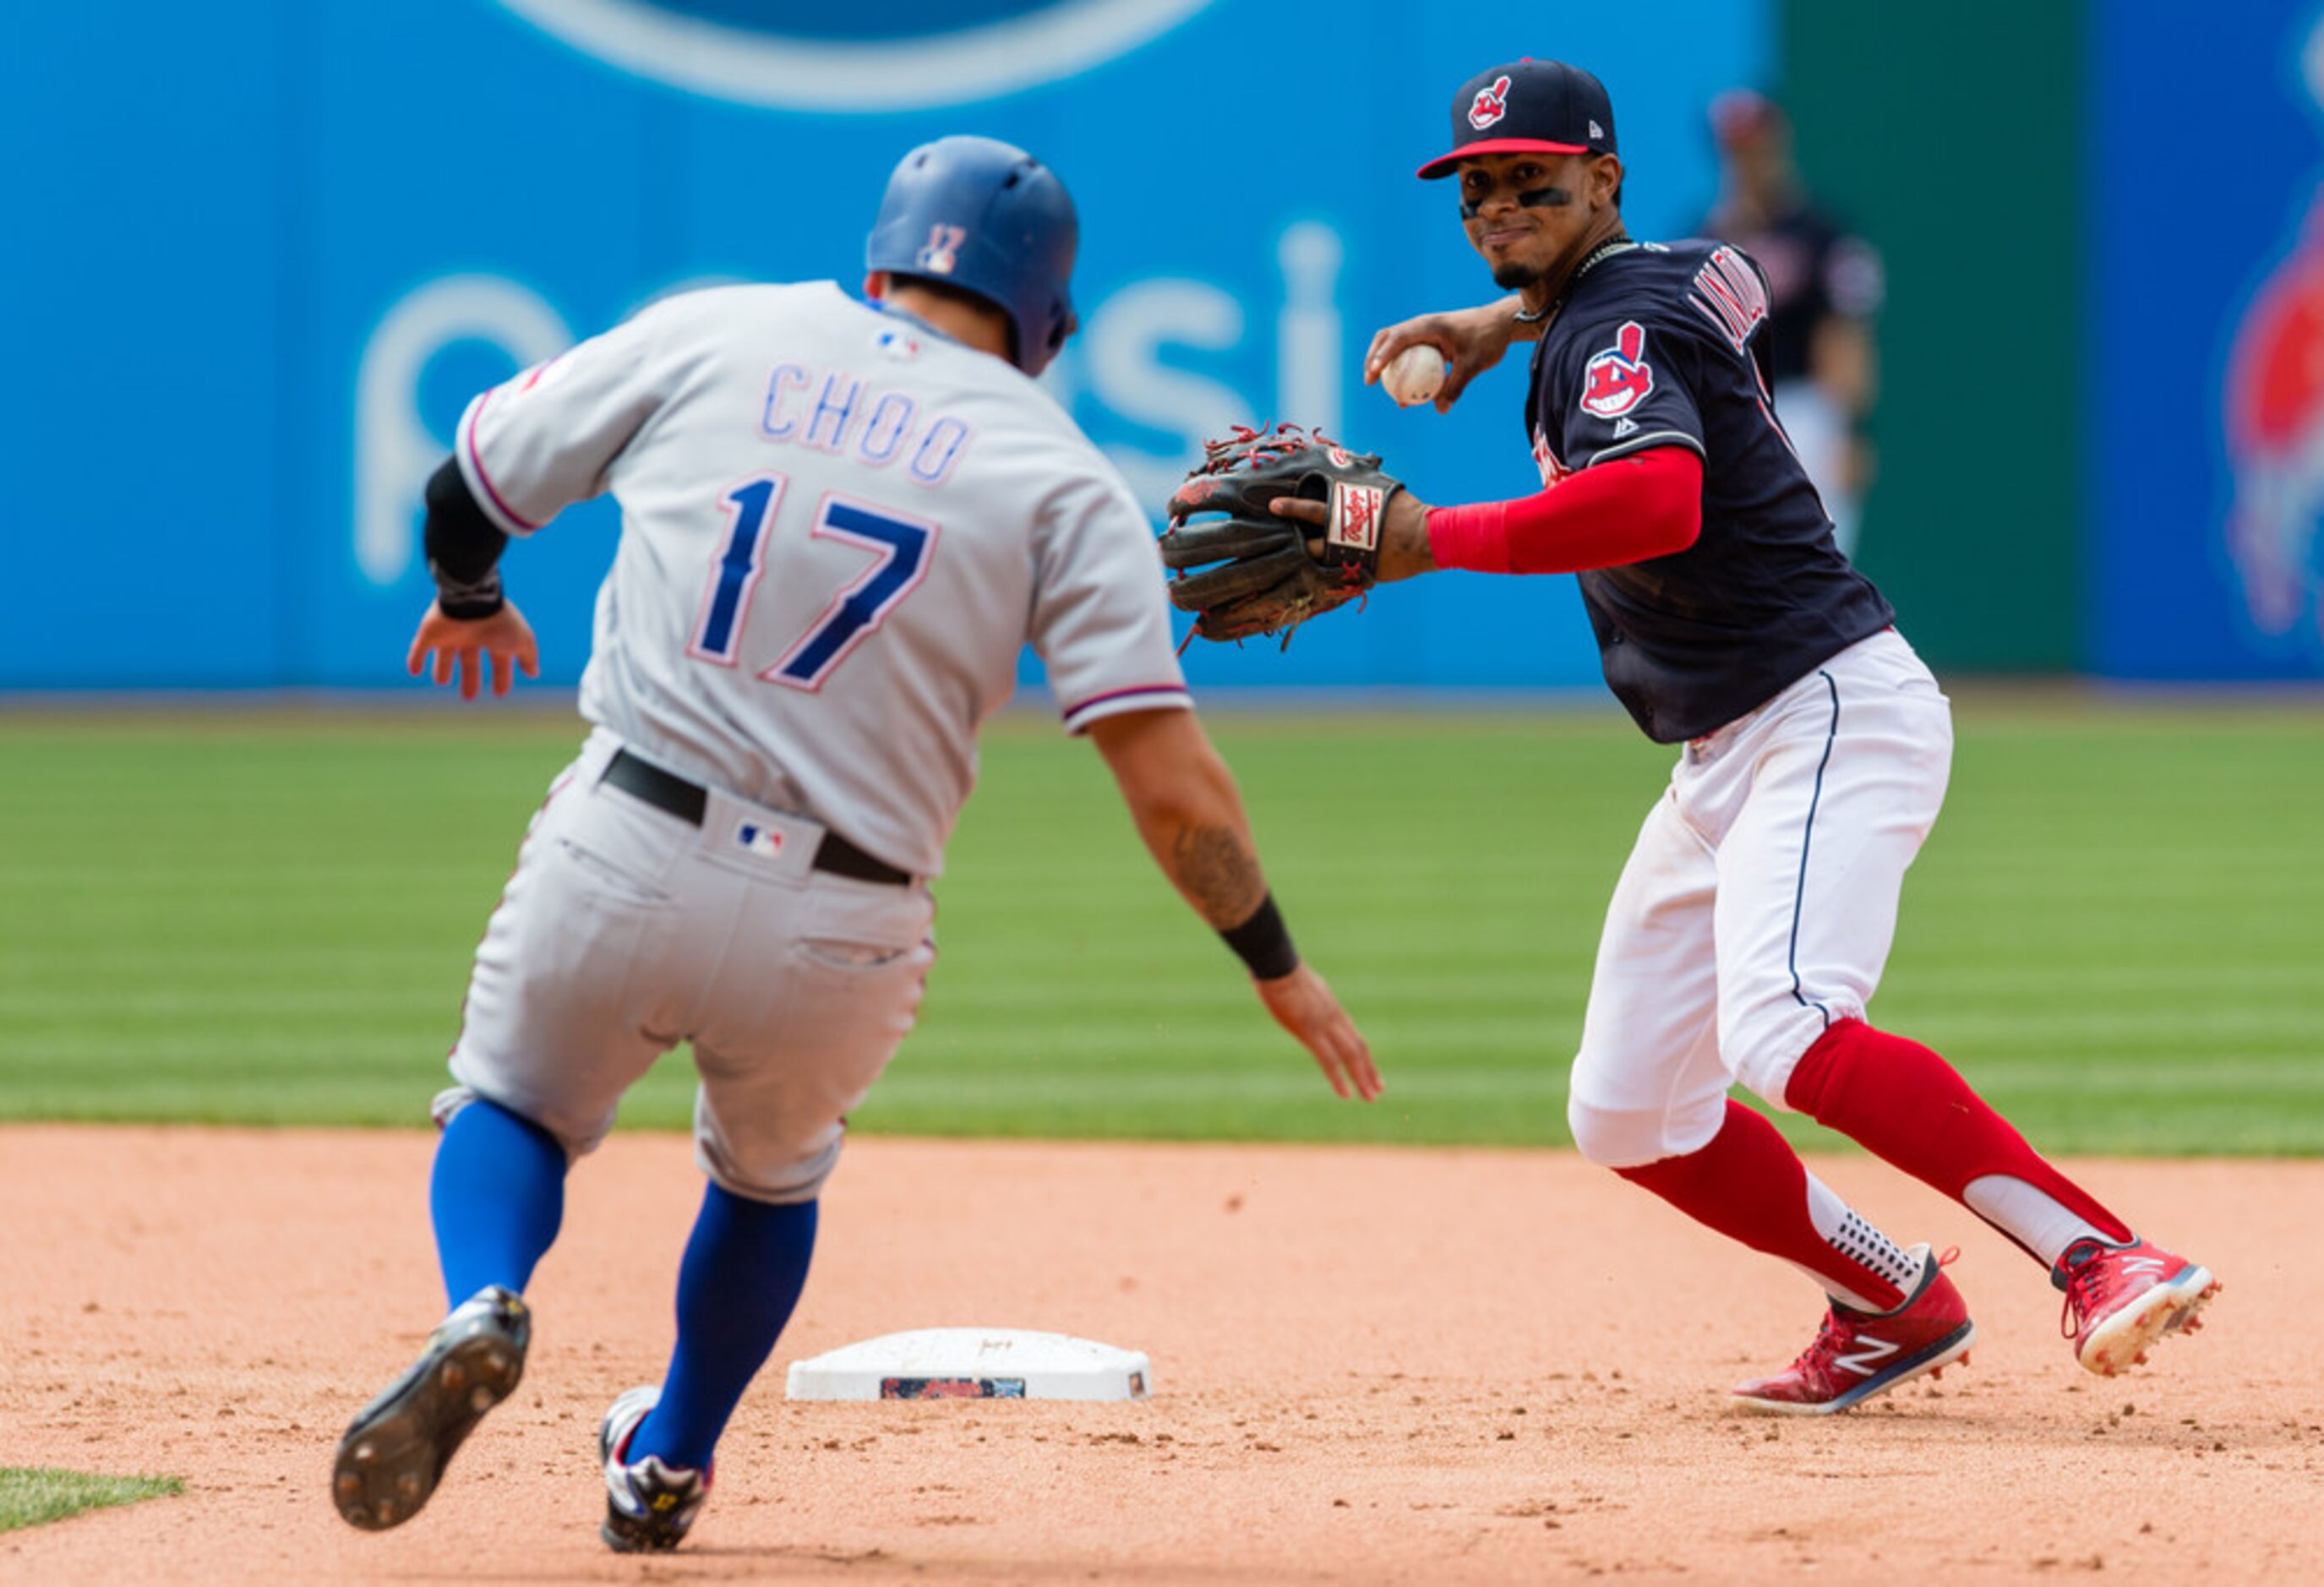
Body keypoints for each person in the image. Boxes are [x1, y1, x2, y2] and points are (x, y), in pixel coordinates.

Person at [330, 134, 1379, 1551]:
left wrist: (468, 597)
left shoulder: (718, 329)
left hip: (624, 838)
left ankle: (484, 1296)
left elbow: (465, 482)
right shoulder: (1060, 477)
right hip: (843, 921)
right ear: (1050, 322)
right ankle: (668, 1461)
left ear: (884, 250)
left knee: (511, 1103)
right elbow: (1172, 787)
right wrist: (1275, 962)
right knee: (769, 1175)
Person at [1323, 59, 2212, 1414]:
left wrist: (1427, 540)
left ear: (1603, 179)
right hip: (1726, 748)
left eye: (1535, 182)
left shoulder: (1614, 326)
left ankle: (2099, 1250)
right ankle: (1891, 1298)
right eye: (1481, 189)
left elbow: (1655, 501)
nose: (1501, 206)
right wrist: (1502, 321)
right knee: (1625, 1108)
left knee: (1786, 1030)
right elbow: (1708, 285)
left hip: (1825, 704)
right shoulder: (1661, 277)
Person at [1698, 90, 1884, 562]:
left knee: (1820, 561)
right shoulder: (1702, 240)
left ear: (1778, 142)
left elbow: (1845, 335)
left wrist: (1852, 431)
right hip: (1732, 414)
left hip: (1808, 411)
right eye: (1737, 148)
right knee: (1738, 567)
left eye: (1757, 145)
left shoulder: (1822, 232)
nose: (1748, 159)